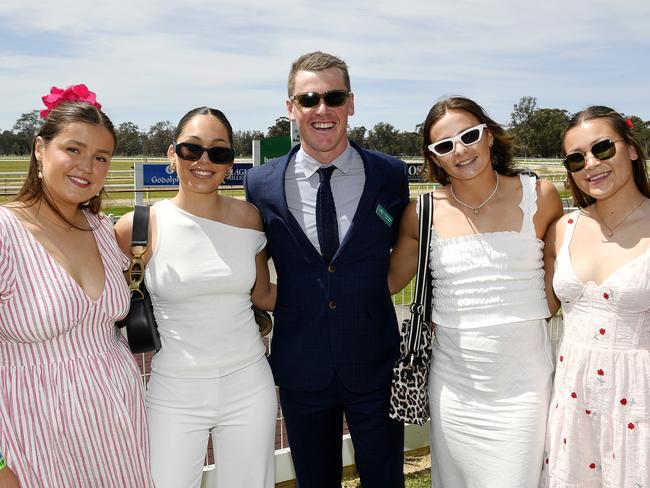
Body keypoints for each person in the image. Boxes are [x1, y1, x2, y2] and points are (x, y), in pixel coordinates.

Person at [244, 51, 410, 488]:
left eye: (333, 97)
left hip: (375, 362)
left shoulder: (390, 174)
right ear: (290, 108)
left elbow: (402, 253)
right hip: (302, 364)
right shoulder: (260, 183)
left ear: (351, 104)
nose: (322, 109)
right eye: (309, 98)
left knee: (385, 480)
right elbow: (256, 258)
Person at [388, 96, 564, 488]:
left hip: (525, 390)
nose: (460, 150)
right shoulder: (423, 212)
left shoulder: (542, 196)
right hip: (455, 393)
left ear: (489, 136)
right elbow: (386, 283)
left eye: (469, 136)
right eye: (445, 145)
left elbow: (559, 288)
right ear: (434, 158)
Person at [114, 107, 277, 488]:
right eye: (191, 149)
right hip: (174, 390)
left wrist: (341, 292)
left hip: (249, 383)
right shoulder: (136, 227)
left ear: (229, 164)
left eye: (218, 152)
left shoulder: (249, 218)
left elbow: (264, 294)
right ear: (172, 155)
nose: (204, 161)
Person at [0, 85, 154, 487]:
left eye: (101, 157)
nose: (87, 166)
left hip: (120, 431)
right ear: (39, 149)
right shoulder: (5, 233)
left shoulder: (105, 232)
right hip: (35, 441)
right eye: (73, 149)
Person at [540, 106, 650, 487]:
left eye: (602, 148)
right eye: (576, 158)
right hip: (574, 401)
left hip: (640, 403)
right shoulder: (563, 229)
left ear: (632, 150)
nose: (591, 164)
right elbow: (539, 306)